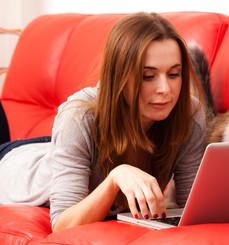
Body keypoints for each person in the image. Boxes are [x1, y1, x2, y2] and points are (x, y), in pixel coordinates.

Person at [0, 12, 208, 233]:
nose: (165, 89)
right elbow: (63, 226)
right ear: (119, 76)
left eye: (174, 74)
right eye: (148, 76)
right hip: (14, 163)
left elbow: (194, 209)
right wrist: (114, 178)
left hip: (58, 145)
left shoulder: (189, 114)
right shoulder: (79, 114)